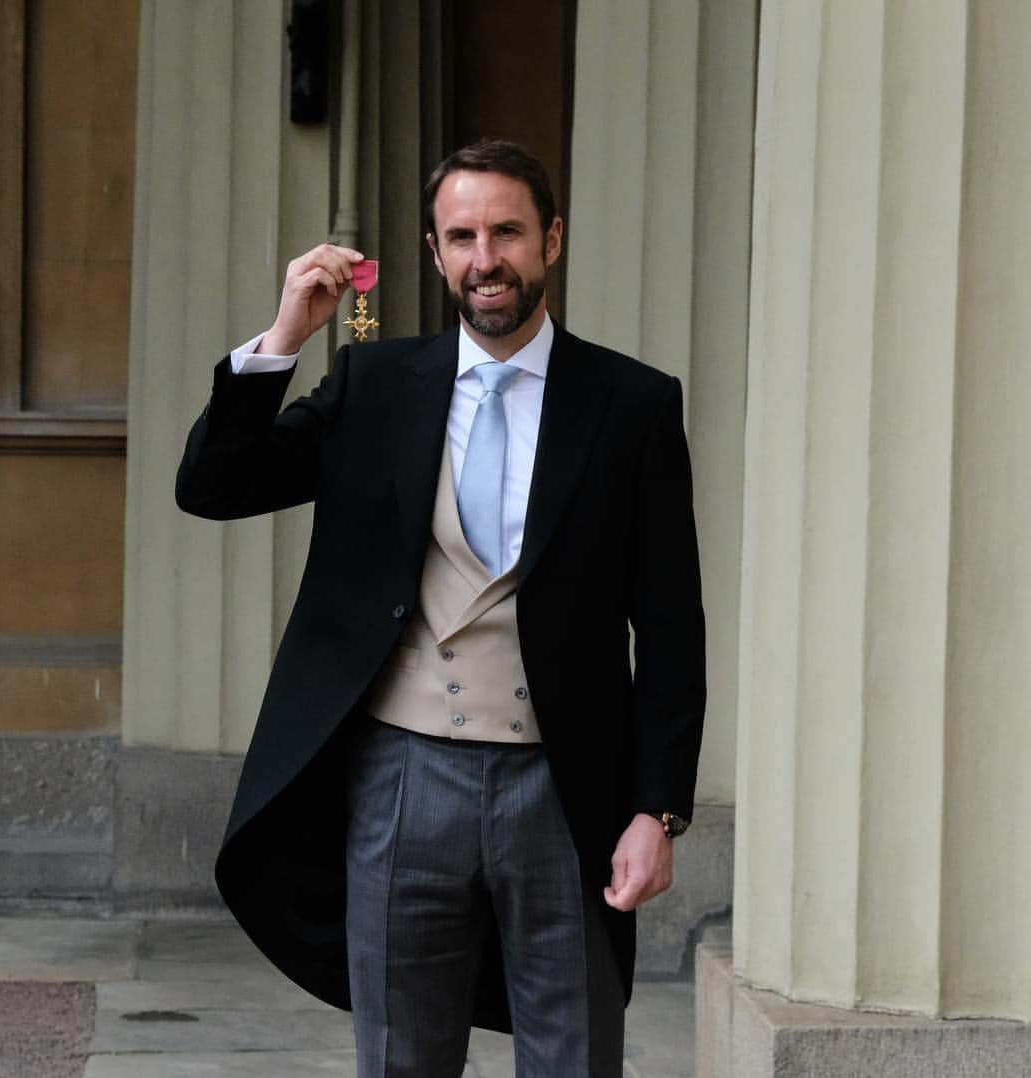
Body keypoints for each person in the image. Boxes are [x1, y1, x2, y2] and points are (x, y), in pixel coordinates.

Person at [176, 140, 705, 1077]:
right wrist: (286, 336)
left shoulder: (632, 404)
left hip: (564, 789)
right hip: (399, 779)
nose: (484, 258)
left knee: (576, 1055)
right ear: (434, 252)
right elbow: (214, 484)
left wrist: (654, 811)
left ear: (551, 241)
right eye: (461, 236)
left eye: (506, 232)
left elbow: (669, 625)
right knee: (400, 1060)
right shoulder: (374, 386)